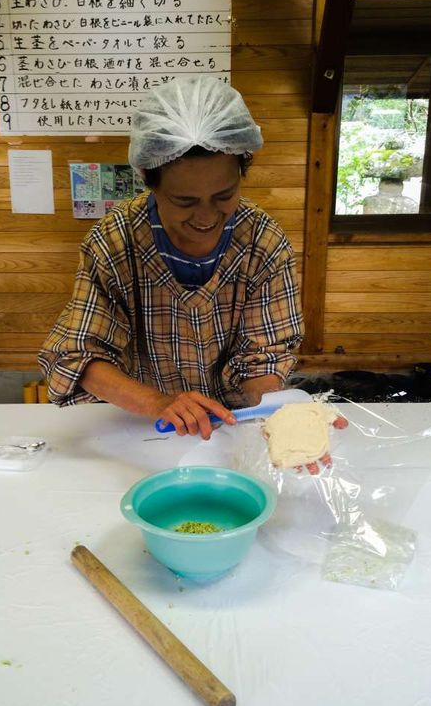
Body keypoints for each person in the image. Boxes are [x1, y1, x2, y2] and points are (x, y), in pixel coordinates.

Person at [38, 76, 304, 441]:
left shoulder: (263, 241)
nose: (207, 217)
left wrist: (284, 418)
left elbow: (264, 359)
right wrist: (160, 403)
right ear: (148, 177)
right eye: (185, 202)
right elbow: (75, 355)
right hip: (146, 425)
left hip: (235, 426)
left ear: (244, 169)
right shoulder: (117, 241)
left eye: (224, 195)